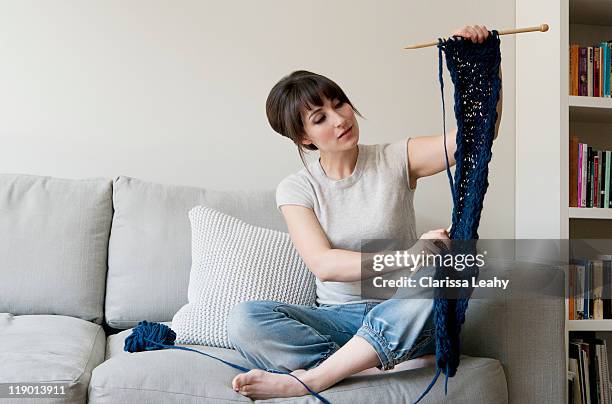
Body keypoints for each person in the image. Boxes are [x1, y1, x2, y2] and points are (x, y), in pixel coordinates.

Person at [227, 24, 502, 400]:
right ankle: (370, 357)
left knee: (449, 276)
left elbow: (476, 137)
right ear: (304, 138)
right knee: (245, 320)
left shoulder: (395, 158)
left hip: (403, 306)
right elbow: (324, 265)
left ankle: (315, 377)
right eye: (320, 117)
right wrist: (408, 255)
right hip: (337, 320)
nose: (340, 119)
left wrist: (487, 64)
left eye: (338, 104)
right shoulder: (297, 188)